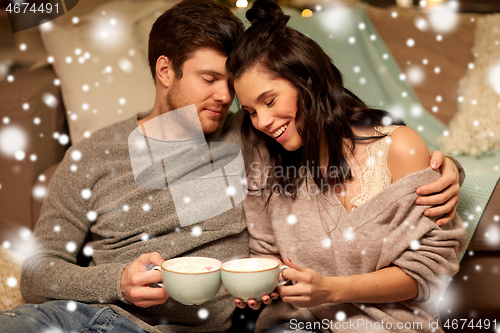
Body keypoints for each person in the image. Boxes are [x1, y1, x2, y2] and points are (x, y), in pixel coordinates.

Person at [0, 0, 461, 332]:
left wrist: (445, 168)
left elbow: (348, 136)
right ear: (165, 71)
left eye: (232, 84)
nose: (225, 97)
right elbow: (38, 273)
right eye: (209, 79)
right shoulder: (90, 156)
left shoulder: (254, 134)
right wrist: (116, 282)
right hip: (86, 316)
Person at [225, 0, 467, 332]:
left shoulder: (398, 148)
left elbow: (428, 270)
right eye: (252, 111)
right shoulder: (265, 157)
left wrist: (332, 289)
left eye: (269, 100)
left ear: (309, 80)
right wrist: (257, 281)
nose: (263, 121)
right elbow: (268, 252)